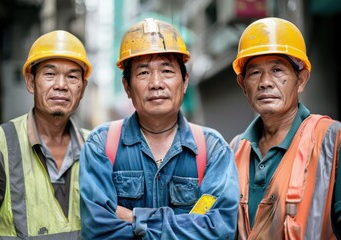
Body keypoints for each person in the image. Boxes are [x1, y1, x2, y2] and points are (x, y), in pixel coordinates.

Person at [79, 18, 239, 239]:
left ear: (184, 82)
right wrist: (185, 225)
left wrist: (133, 218)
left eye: (167, 71)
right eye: (143, 73)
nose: (156, 83)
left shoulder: (213, 149)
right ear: (127, 87)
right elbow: (97, 229)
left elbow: (218, 230)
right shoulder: (101, 144)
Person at [230, 17, 341, 239]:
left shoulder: (331, 138)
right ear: (243, 85)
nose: (265, 82)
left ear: (301, 80)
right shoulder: (234, 149)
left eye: (277, 70)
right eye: (254, 73)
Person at [0, 30, 91, 239]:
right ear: (31, 82)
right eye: (50, 74)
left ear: (83, 89)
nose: (61, 85)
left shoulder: (96, 146)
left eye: (72, 76)